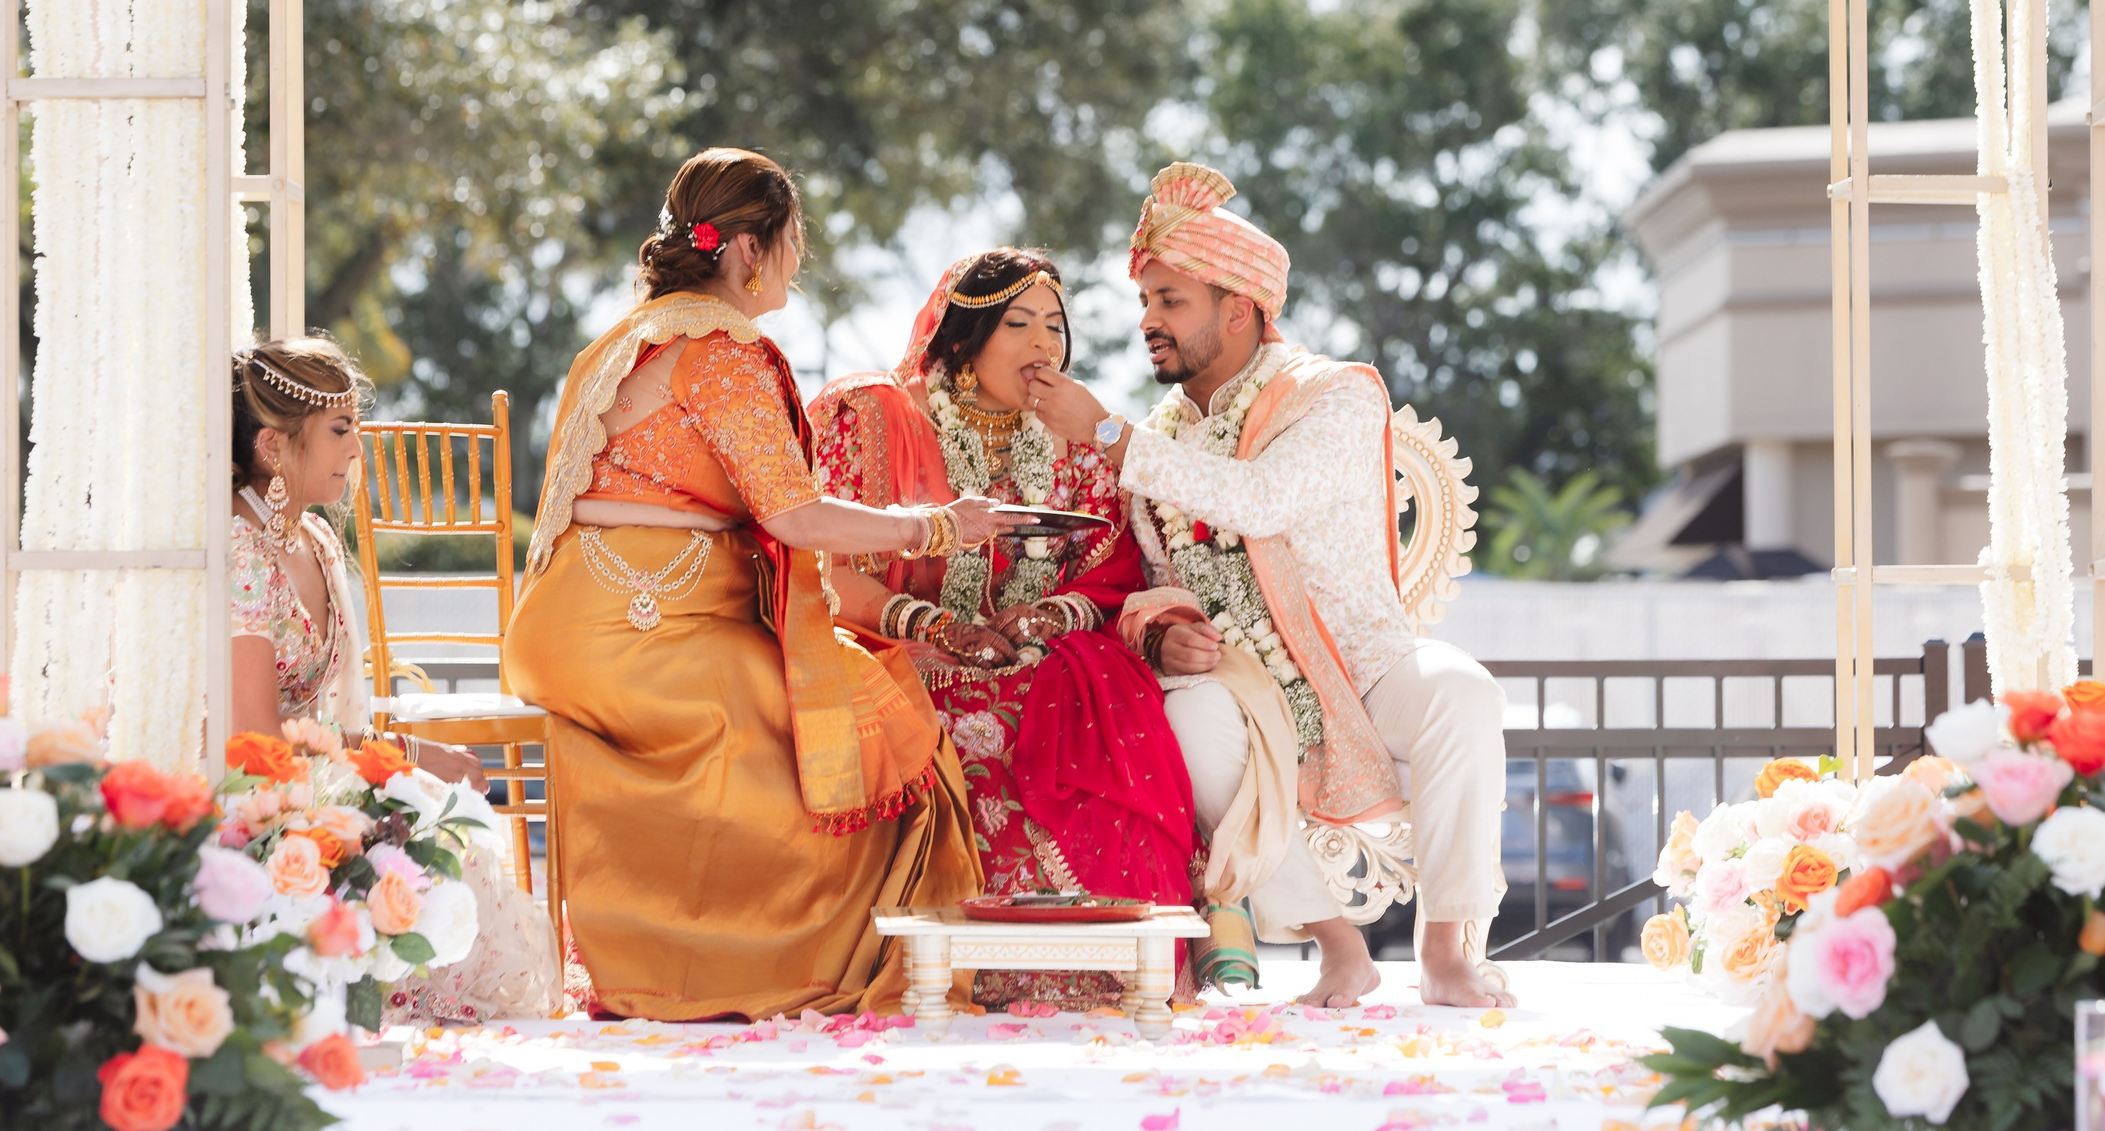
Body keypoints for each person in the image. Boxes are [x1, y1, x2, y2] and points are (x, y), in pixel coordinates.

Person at [504, 148, 1013, 1021]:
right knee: (871, 724)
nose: (797, 259)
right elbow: (795, 518)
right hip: (642, 630)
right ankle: (783, 972)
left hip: (579, 621)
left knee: (854, 690)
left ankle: (697, 963)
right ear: (745, 249)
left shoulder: (623, 339)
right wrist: (936, 524)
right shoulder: (720, 345)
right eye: (791, 239)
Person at [1026, 162, 1513, 1010]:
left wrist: (1108, 433)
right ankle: (1342, 952)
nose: (1148, 322)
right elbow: (1154, 579)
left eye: (1170, 301)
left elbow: (1264, 500)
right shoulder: (1166, 436)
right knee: (1187, 721)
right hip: (1249, 682)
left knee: (1463, 696)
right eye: (1145, 303)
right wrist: (1163, 626)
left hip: (1362, 662)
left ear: (1240, 311)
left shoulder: (1332, 396)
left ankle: (1446, 951)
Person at [807, 248, 1200, 1005]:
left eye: (1055, 326)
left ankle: (1107, 963)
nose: (1043, 345)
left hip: (1036, 654)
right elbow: (825, 570)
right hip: (893, 653)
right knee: (972, 726)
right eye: (1018, 323)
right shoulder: (875, 417)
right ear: (963, 335)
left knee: (1102, 709)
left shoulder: (1076, 435)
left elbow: (1110, 565)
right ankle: (953, 963)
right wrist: (936, 627)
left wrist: (1046, 614)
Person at [229, 336, 561, 1022]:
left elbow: (327, 716)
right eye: (341, 430)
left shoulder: (312, 538)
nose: (358, 449)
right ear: (272, 448)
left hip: (315, 777)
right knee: (434, 833)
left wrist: (402, 766)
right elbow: (259, 741)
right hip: (255, 801)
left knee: (444, 833)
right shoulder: (239, 549)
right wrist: (408, 759)